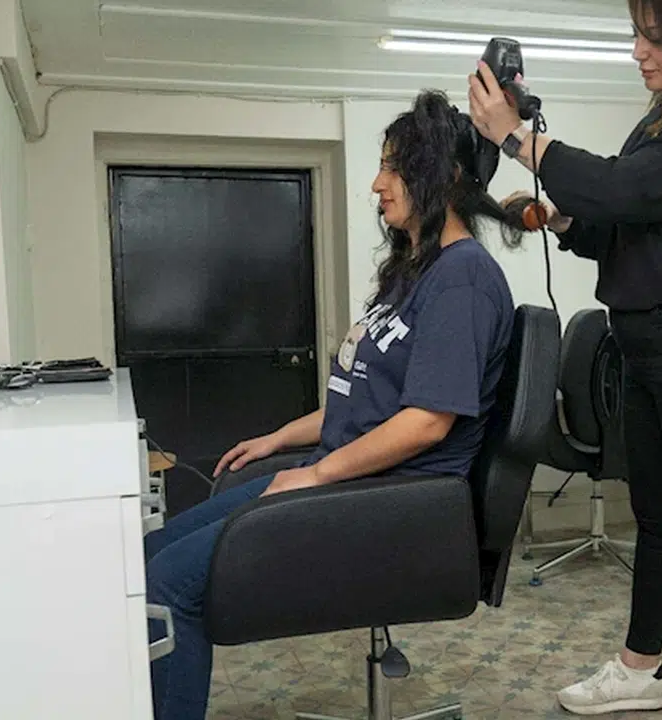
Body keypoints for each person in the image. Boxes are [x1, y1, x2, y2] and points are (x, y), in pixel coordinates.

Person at [143, 89, 534, 720]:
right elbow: (364, 396)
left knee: (167, 583)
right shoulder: (417, 270)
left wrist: (317, 474)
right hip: (351, 475)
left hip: (398, 501)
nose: (377, 184)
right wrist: (279, 439)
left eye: (393, 168)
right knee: (152, 555)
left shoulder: (463, 278)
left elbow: (426, 422)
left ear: (439, 176)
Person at [467, 0, 662, 719]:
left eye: (654, 36)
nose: (639, 51)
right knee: (658, 522)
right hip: (650, 344)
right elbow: (625, 218)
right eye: (637, 34)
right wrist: (564, 218)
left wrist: (516, 137)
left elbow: (625, 188)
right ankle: (641, 671)